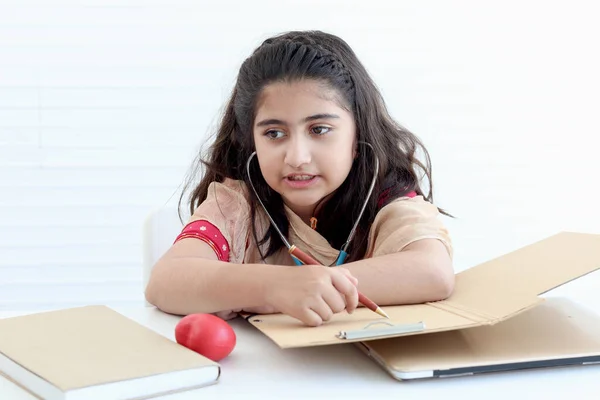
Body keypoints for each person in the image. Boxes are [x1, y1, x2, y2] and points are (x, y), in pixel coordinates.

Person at [145, 30, 454, 327]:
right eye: (274, 133)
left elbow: (433, 271)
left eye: (319, 129)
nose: (296, 157)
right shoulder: (235, 204)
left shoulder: (390, 201)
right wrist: (276, 287)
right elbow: (165, 281)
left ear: (357, 134)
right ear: (252, 141)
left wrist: (310, 286)